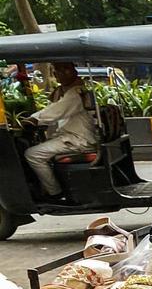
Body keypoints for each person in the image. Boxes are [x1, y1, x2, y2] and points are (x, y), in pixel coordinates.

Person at [20, 62, 98, 203]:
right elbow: (53, 111)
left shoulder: (75, 93)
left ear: (74, 71)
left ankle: (55, 193)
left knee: (32, 154)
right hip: (72, 137)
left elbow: (55, 112)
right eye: (57, 70)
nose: (60, 73)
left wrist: (33, 120)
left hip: (78, 140)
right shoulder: (66, 91)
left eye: (65, 69)